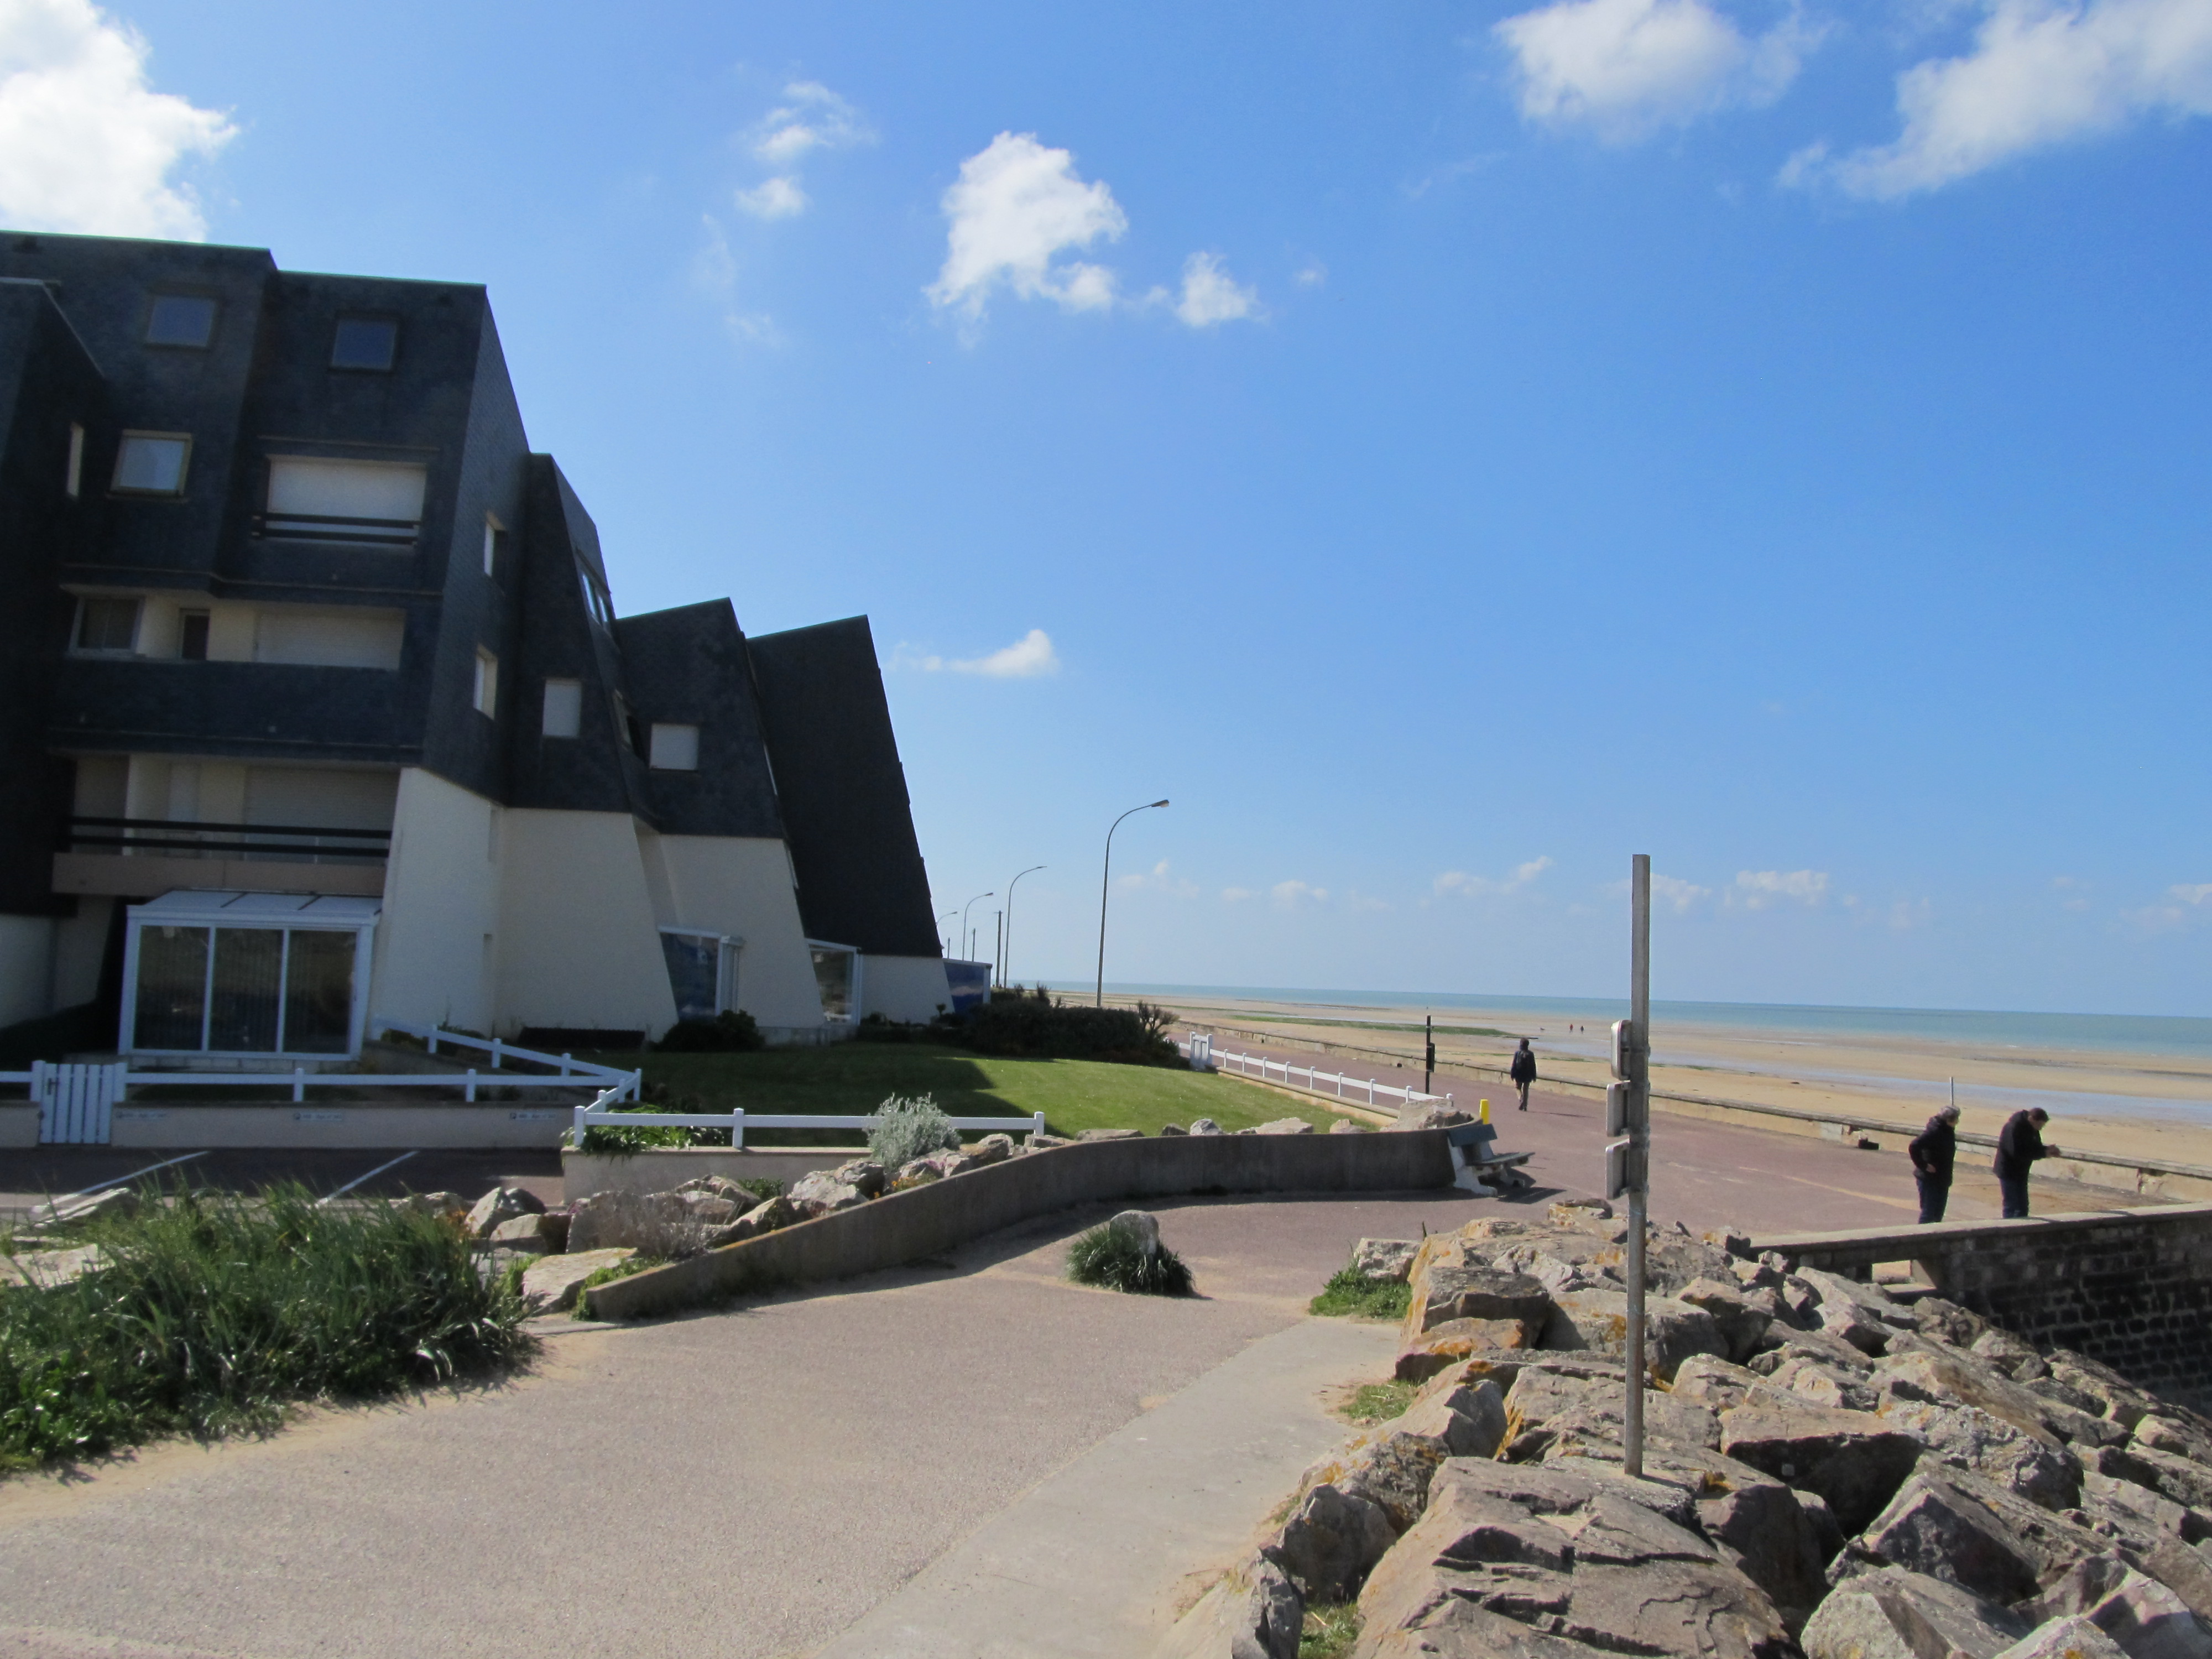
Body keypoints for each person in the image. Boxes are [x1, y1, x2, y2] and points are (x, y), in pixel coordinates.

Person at [1994, 1107, 2057, 1219]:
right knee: (2011, 1205)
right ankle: (2009, 1229)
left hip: (2021, 1171)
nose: (2040, 1128)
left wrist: (2046, 1150)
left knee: (2023, 1206)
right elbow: (2017, 1153)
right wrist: (2043, 1154)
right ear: (2031, 1119)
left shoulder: (2033, 1129)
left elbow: (2035, 1147)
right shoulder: (2013, 1128)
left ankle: (2021, 1228)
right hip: (2008, 1170)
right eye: (2040, 1125)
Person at [1908, 1104, 1960, 1223]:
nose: (1958, 1122)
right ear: (1949, 1120)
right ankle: (1921, 1238)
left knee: (1938, 1214)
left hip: (1943, 1179)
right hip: (1929, 1179)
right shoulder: (1934, 1131)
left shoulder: (1948, 1131)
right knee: (1928, 1212)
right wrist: (1924, 1165)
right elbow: (1914, 1146)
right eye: (1956, 1119)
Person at [1510, 1038, 1537, 1112]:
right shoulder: (1531, 1054)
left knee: (1518, 1088)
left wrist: (1513, 1075)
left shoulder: (1518, 1053)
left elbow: (1514, 1065)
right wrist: (1534, 1076)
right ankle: (1525, 1106)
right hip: (1528, 1074)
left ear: (1521, 1044)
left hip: (1519, 1074)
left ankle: (1521, 1098)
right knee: (1526, 1090)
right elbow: (1533, 1065)